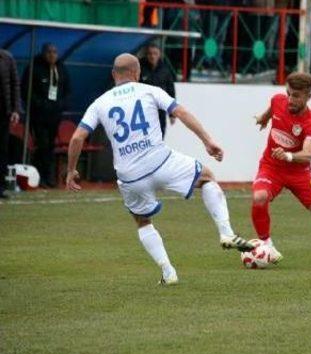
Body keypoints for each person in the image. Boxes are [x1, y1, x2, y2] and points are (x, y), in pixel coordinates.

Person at [66, 53, 253, 285]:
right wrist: (207, 141)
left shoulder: (100, 102)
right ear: (137, 73)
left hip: (130, 176)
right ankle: (226, 232)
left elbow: (77, 138)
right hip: (161, 162)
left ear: (114, 74)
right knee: (206, 178)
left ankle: (168, 272)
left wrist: (71, 170)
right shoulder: (150, 90)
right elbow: (181, 113)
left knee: (142, 221)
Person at [253, 72, 311, 269]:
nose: (290, 99)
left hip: (299, 172)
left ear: (308, 97)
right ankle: (266, 245)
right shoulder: (279, 101)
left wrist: (289, 156)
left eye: (296, 96)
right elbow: (273, 108)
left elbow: (307, 154)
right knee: (259, 197)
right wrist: (264, 118)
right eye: (288, 93)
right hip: (271, 167)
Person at [21, 43, 70, 188]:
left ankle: (48, 177)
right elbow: (26, 91)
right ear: (43, 53)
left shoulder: (61, 69)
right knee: (42, 144)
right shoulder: (34, 68)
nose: (52, 55)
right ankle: (40, 176)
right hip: (38, 115)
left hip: (55, 115)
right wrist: (41, 104)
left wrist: (61, 104)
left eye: (55, 52)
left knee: (50, 146)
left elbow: (67, 90)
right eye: (49, 52)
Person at [140, 43, 176, 139]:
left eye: (155, 53)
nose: (152, 56)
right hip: (143, 110)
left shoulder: (165, 70)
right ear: (146, 55)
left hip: (159, 110)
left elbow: (171, 92)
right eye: (150, 54)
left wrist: (172, 113)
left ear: (159, 54)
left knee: (160, 136)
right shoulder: (140, 68)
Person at [0, 49, 20, 199]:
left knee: (2, 150)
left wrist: (16, 109)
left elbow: (15, 84)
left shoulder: (7, 57)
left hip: (3, 112)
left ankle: (0, 187)